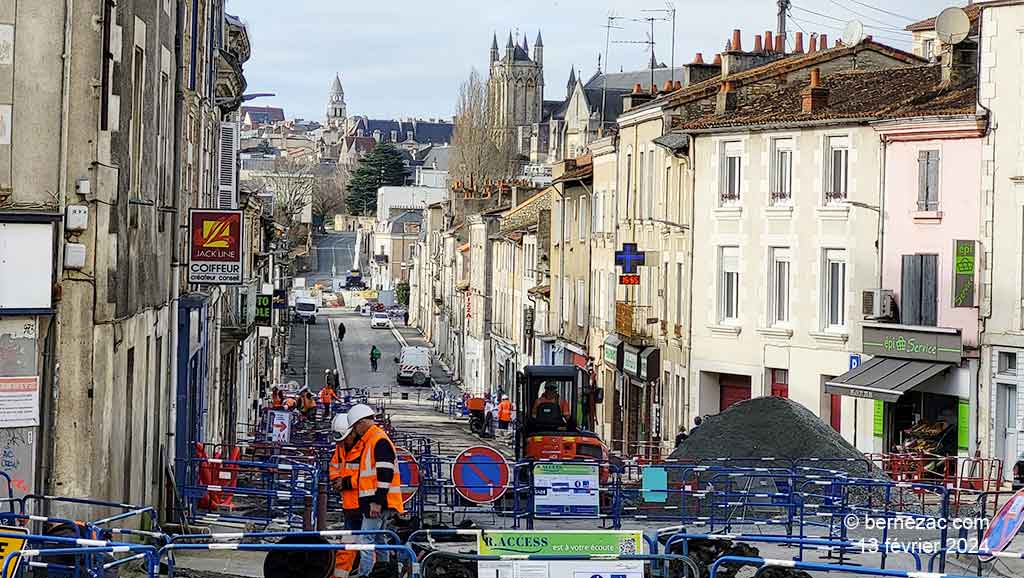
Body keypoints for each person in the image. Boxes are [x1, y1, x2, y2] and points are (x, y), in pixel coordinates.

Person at [348, 404, 404, 576]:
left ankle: (366, 575)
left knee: (366, 540)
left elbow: (384, 474)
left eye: (356, 426)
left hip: (378, 504)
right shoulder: (373, 440)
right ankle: (384, 572)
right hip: (377, 502)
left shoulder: (378, 441)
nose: (355, 431)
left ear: (363, 422)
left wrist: (377, 502)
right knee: (379, 540)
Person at [328, 414, 363, 577]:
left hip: (365, 504)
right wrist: (335, 480)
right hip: (350, 505)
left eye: (345, 438)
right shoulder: (341, 447)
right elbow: (334, 466)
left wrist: (346, 483)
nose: (342, 443)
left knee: (354, 544)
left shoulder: (365, 447)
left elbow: (370, 476)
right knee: (360, 543)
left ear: (353, 432)